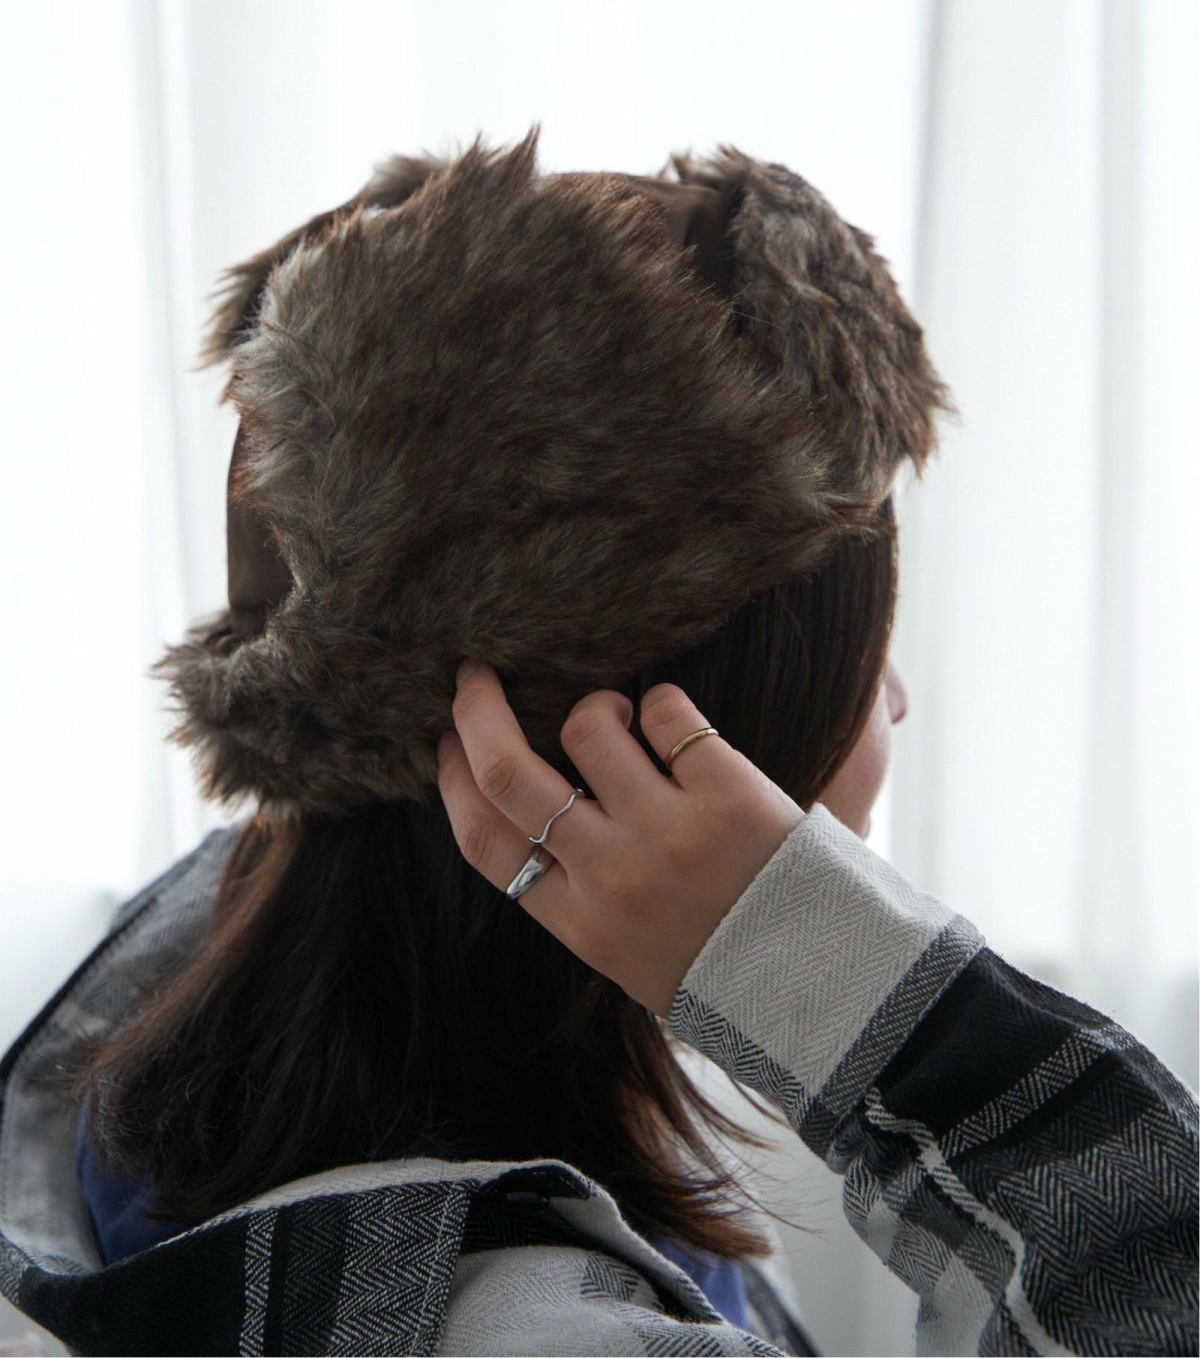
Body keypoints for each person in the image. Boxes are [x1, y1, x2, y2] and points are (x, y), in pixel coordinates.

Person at [0, 128, 1194, 1357]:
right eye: (853, 650)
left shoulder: (196, 1050)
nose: (890, 699)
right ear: (641, 739)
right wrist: (831, 983)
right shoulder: (540, 1336)